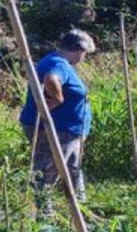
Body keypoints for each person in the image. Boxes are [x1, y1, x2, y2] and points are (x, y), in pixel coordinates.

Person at [19, 27, 96, 200]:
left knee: (72, 168)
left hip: (67, 130)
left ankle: (80, 206)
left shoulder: (56, 61)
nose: (83, 58)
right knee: (48, 169)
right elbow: (51, 79)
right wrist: (58, 98)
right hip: (57, 128)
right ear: (78, 50)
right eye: (84, 53)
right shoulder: (58, 63)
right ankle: (43, 211)